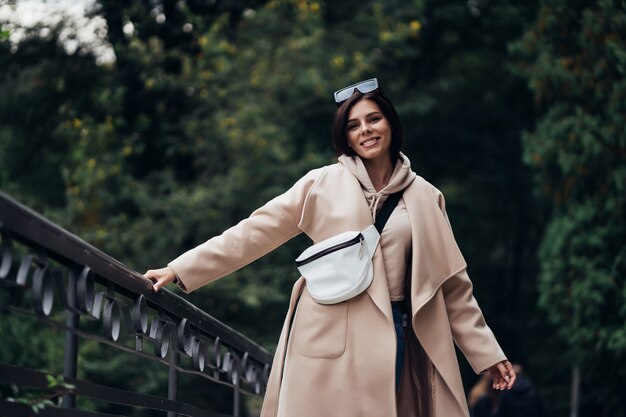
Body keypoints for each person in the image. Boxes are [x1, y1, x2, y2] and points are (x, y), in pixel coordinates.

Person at [145, 78, 516, 417]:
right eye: (354, 125)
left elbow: (453, 287)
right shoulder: (321, 184)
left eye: (374, 119)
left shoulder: (426, 196)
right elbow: (254, 232)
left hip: (399, 335)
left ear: (391, 124)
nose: (366, 130)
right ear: (345, 136)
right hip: (327, 333)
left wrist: (486, 354)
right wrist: (180, 269)